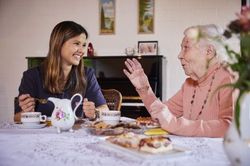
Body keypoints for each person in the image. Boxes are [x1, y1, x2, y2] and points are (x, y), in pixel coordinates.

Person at [123, 24, 233, 137]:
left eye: (186, 48)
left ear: (209, 51)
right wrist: (144, 88)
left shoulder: (229, 79)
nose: (179, 55)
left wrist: (174, 124)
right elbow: (161, 116)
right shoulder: (189, 85)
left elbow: (229, 127)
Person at [14, 21, 109, 122]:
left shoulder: (87, 74)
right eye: (77, 44)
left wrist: (95, 112)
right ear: (58, 44)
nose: (82, 51)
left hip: (75, 135)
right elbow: (16, 118)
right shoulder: (31, 76)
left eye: (84, 45)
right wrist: (26, 112)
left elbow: (104, 109)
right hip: (42, 136)